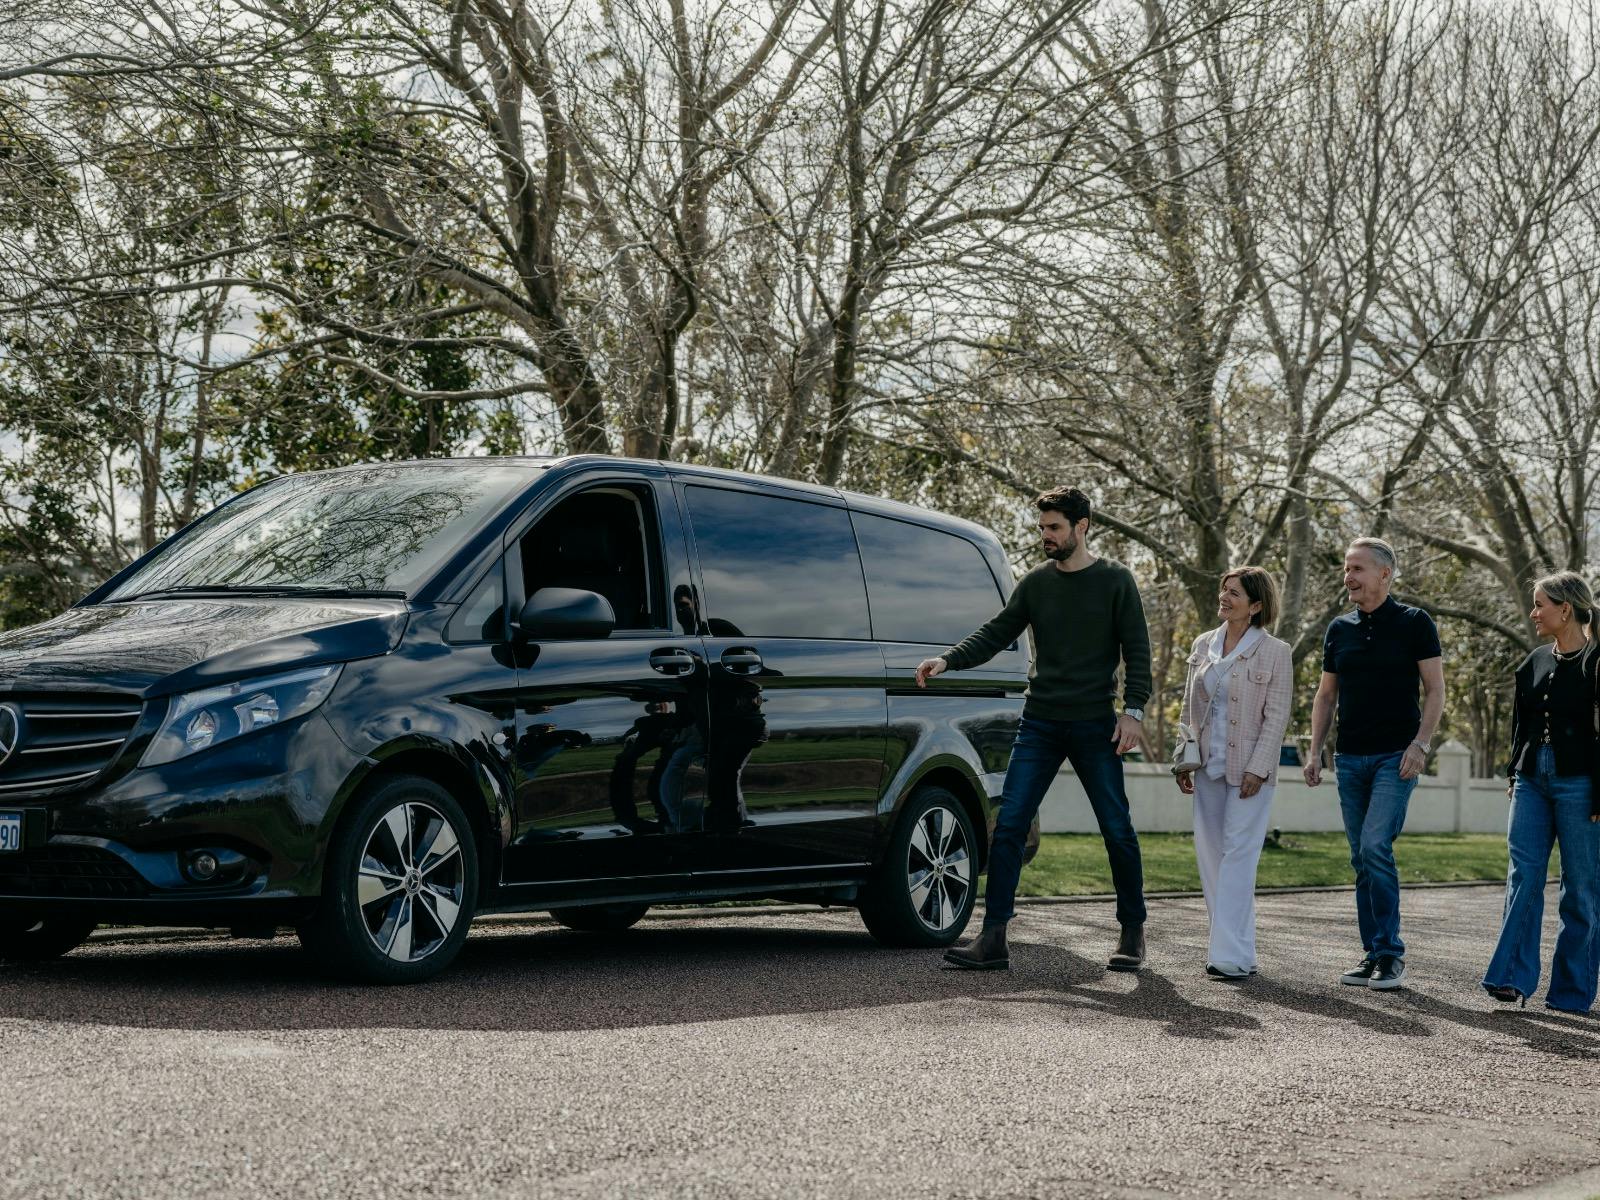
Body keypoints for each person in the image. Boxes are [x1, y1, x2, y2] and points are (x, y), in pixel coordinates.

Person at [921, 486, 1152, 972]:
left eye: (1054, 527)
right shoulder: (1035, 583)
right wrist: (948, 660)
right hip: (1041, 721)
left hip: (1095, 723)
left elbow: (1137, 650)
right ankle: (994, 937)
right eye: (1043, 527)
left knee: (1116, 829)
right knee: (1008, 825)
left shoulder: (1116, 580)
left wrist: (1133, 711)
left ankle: (1132, 932)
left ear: (1081, 526)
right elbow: (996, 632)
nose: (1045, 536)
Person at [1304, 537, 1444, 991]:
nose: (1349, 576)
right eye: (1347, 568)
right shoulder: (1338, 629)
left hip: (1394, 758)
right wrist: (1314, 750)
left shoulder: (1414, 623)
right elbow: (1327, 694)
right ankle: (1372, 953)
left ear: (1385, 574)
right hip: (1349, 759)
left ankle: (1390, 954)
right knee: (1360, 858)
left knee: (1374, 848)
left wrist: (1420, 745)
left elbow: (1435, 690)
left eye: (1358, 569)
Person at [1483, 571, 1600, 1012]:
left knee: (1582, 888)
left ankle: (1571, 993)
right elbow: (1520, 726)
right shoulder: (1532, 661)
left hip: (1584, 785)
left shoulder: (1598, 661)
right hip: (1531, 780)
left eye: (1540, 605)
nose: (1533, 613)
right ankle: (1511, 978)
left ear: (1565, 609)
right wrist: (1514, 773)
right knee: (1524, 876)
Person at [1174, 567, 1293, 980]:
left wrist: (1259, 769)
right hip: (1206, 766)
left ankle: (1228, 955)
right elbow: (1190, 708)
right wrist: (1183, 759)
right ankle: (1234, 949)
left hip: (1249, 772)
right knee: (1210, 856)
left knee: (1239, 857)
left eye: (1234, 593)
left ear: (1256, 605)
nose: (1224, 598)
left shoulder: (1276, 651)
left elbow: (1276, 717)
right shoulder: (1203, 644)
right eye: (1223, 590)